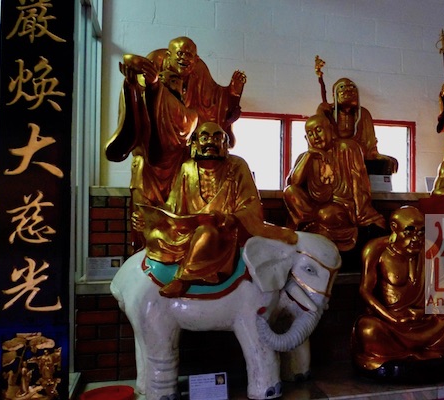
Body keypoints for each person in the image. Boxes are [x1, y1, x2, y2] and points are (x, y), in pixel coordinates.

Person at [105, 36, 245, 249]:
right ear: (168, 56)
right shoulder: (153, 76)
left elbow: (212, 106)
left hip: (179, 161)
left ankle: (178, 247)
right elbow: (142, 112)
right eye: (180, 53)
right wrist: (132, 86)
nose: (184, 59)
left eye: (189, 55)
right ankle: (144, 249)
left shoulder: (190, 108)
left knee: (178, 211)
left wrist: (232, 94)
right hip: (148, 165)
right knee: (143, 213)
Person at [140, 122, 297, 298]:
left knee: (206, 234)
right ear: (195, 142)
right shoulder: (187, 168)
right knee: (156, 234)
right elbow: (173, 206)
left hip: (224, 231)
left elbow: (251, 204)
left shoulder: (237, 165)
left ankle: (184, 278)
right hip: (190, 229)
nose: (211, 142)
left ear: (225, 143)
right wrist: (151, 217)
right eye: (204, 137)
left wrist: (231, 218)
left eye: (217, 138)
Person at [352, 206, 444, 374]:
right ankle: (409, 352)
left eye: (421, 232)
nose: (416, 238)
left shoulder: (430, 249)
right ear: (394, 227)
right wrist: (393, 318)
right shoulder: (376, 249)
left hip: (425, 320)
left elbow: (440, 287)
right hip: (393, 323)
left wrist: (429, 311)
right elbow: (365, 291)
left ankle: (427, 351)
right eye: (409, 231)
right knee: (368, 329)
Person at [284, 114, 385, 251]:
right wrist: (309, 154)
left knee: (327, 213)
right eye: (310, 134)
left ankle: (317, 228)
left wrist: (361, 212)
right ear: (306, 139)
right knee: (290, 191)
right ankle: (313, 225)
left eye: (318, 130)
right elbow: (293, 183)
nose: (315, 137)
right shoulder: (306, 157)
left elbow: (359, 183)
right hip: (313, 209)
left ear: (330, 130)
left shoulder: (347, 148)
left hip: (342, 207)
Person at [317, 77, 398, 174]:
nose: (348, 91)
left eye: (352, 89)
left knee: (389, 162)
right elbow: (319, 135)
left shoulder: (363, 113)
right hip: (334, 151)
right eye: (342, 88)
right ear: (335, 95)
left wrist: (372, 153)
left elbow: (370, 141)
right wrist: (320, 113)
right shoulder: (328, 112)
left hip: (359, 152)